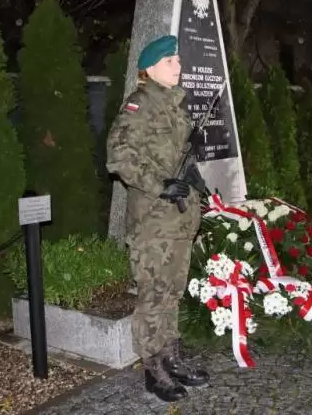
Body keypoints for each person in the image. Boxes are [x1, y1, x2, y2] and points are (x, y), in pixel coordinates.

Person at [106, 35, 209, 402]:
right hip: (153, 221)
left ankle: (170, 357)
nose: (178, 66)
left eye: (177, 60)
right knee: (153, 295)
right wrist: (159, 185)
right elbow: (118, 156)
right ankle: (153, 369)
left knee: (172, 293)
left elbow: (175, 159)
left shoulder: (174, 105)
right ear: (150, 69)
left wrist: (194, 171)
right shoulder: (140, 105)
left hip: (179, 220)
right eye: (170, 61)